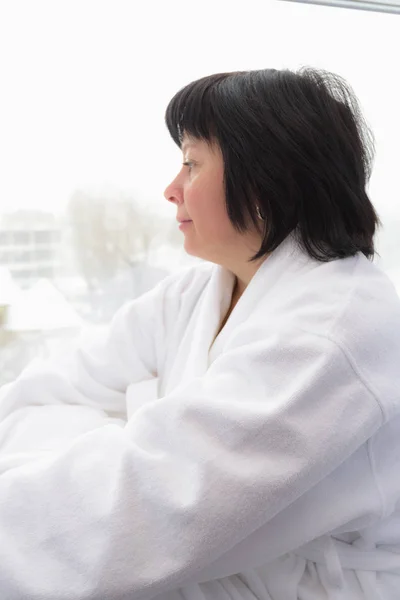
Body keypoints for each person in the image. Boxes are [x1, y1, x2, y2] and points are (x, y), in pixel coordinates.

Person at [0, 66, 399, 600]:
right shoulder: (190, 295)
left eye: (191, 163)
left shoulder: (335, 331)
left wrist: (134, 415)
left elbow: (145, 506)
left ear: (266, 178)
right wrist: (128, 435)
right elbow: (32, 401)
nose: (171, 189)